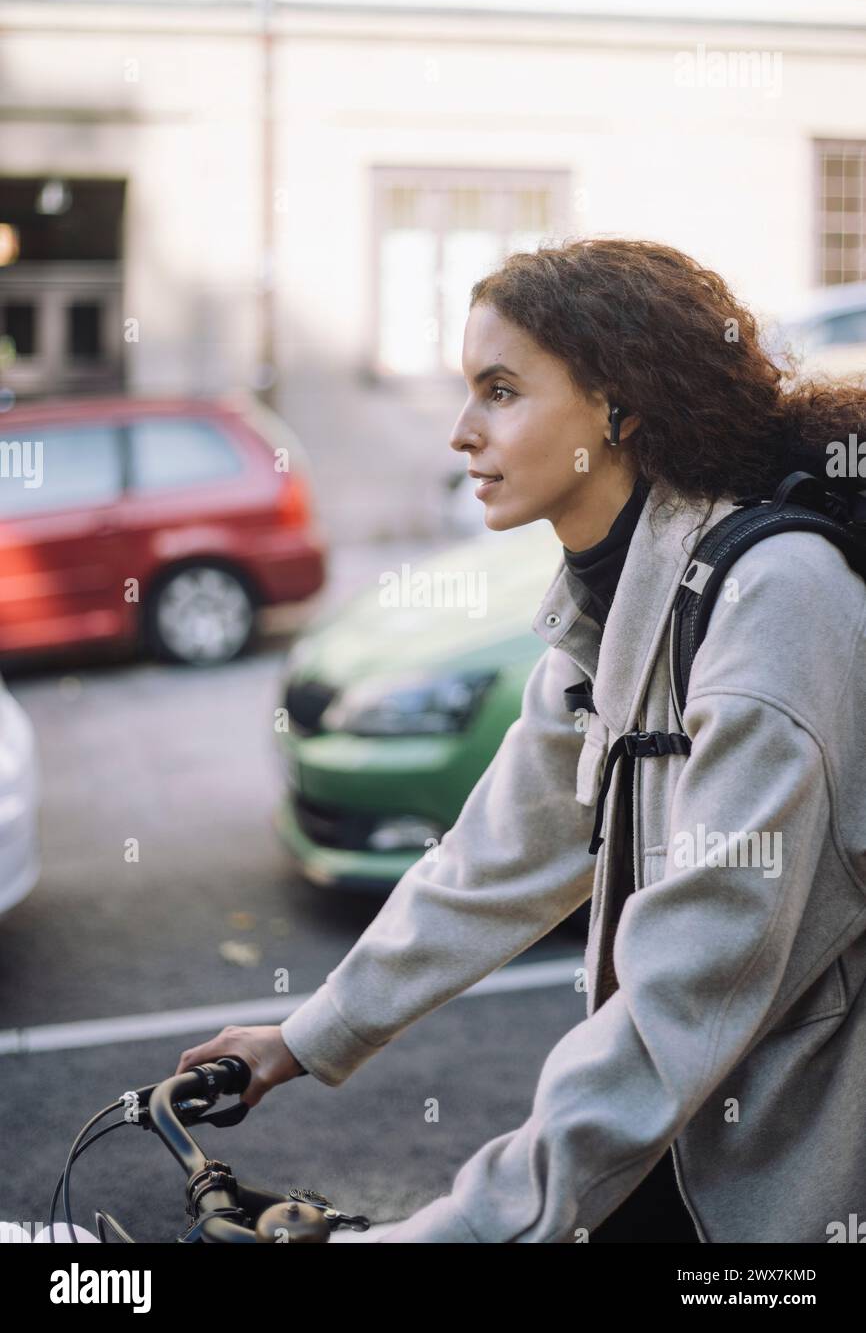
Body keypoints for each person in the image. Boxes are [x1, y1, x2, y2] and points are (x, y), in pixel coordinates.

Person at [176, 237, 866, 1243]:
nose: (460, 433)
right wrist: (302, 1038)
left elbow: (685, 994)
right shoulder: (611, 596)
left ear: (618, 407)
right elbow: (493, 858)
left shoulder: (771, 601)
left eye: (499, 390)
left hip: (781, 1187)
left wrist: (450, 1232)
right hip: (677, 1153)